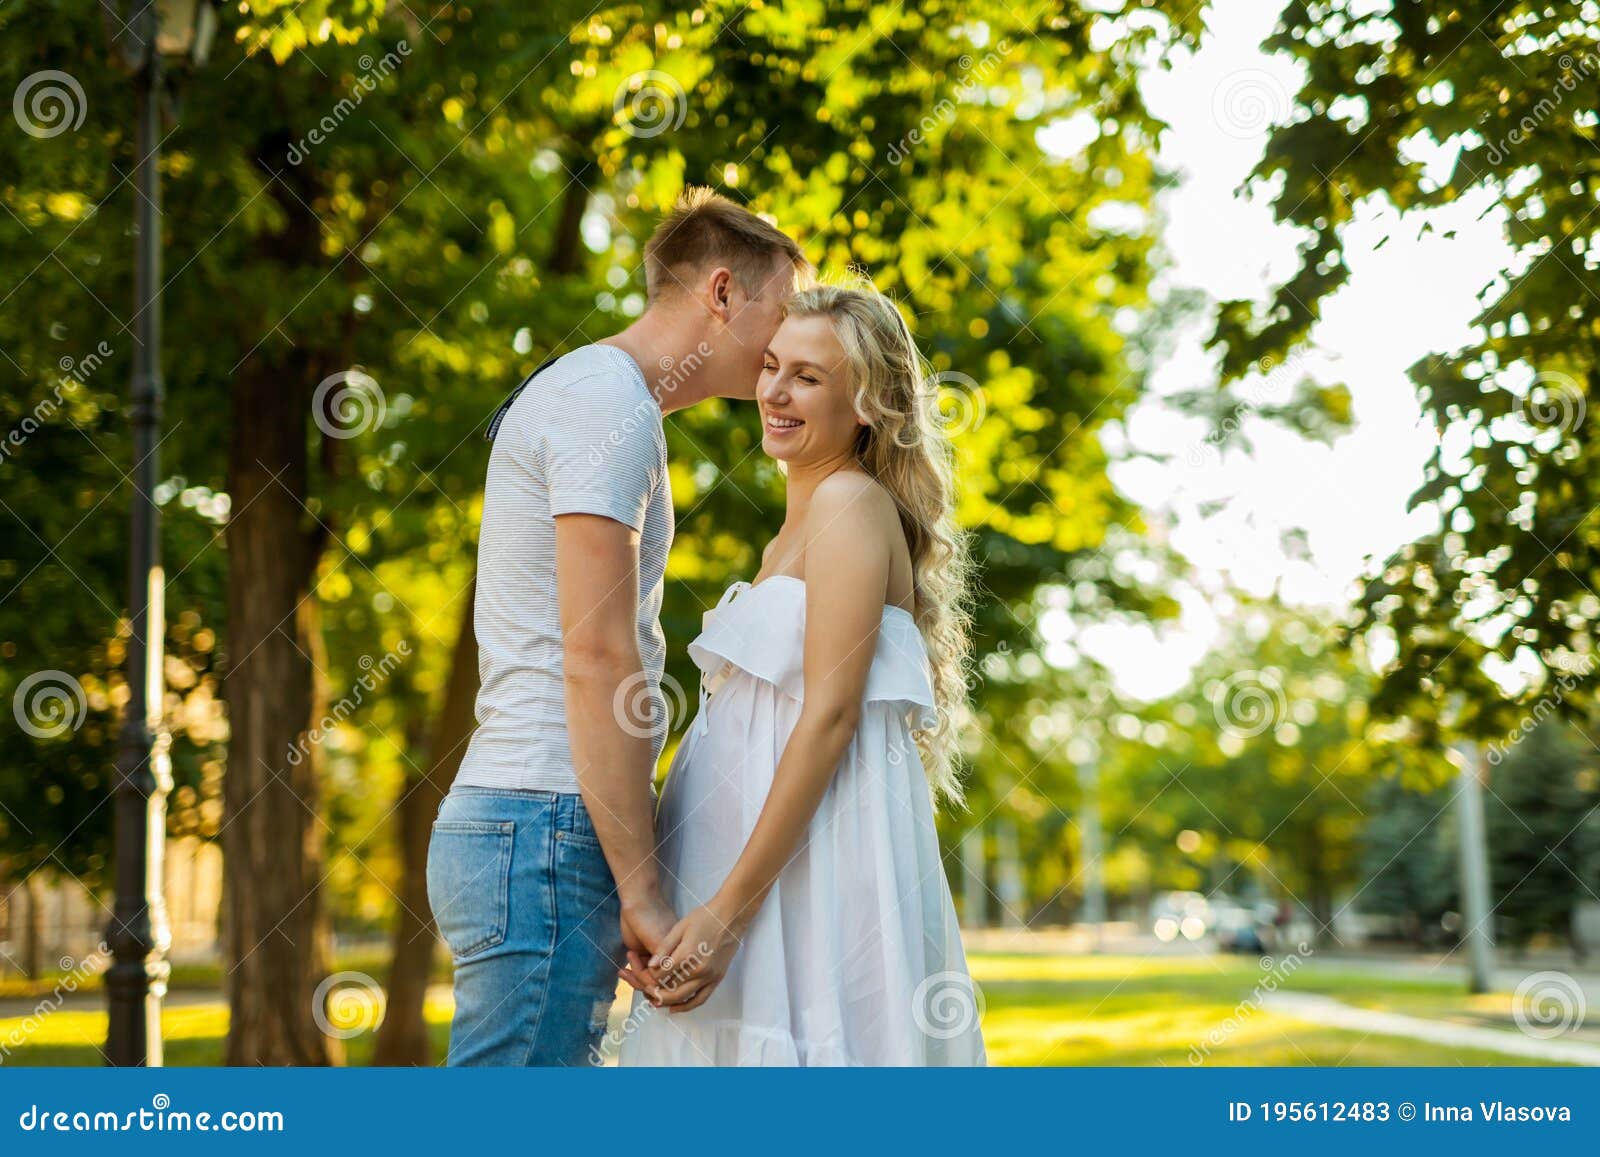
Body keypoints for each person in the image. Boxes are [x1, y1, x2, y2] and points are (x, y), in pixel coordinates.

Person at [426, 188, 809, 1066]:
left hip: (539, 824)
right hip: (544, 825)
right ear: (723, 293)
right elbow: (596, 651)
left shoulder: (605, 398)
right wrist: (639, 887)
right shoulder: (609, 407)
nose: (784, 347)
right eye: (779, 315)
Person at [617, 283, 987, 1066]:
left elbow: (829, 718)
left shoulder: (849, 504)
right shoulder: (792, 527)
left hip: (803, 873)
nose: (775, 393)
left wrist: (725, 913)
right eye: (773, 366)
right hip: (741, 863)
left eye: (809, 377)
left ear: (867, 404)